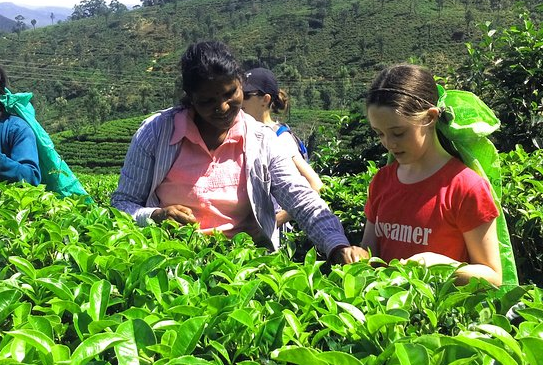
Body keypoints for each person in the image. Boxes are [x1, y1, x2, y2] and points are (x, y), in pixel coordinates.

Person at [111, 41, 366, 262]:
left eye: (230, 93)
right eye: (207, 101)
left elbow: (301, 199)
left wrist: (337, 245)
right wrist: (156, 215)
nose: (222, 107)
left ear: (240, 83)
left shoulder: (261, 140)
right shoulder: (156, 133)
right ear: (190, 97)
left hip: (244, 265)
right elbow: (122, 203)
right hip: (173, 263)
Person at [360, 64, 502, 285]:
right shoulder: (382, 181)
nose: (389, 144)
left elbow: (492, 277)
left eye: (399, 132)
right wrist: (357, 258)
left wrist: (441, 267)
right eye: (380, 134)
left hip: (441, 317)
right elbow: (370, 253)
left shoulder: (465, 187)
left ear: (431, 118)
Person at [241, 67, 324, 227]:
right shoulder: (247, 132)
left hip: (273, 232)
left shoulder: (279, 138)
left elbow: (316, 185)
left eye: (246, 95)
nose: (239, 100)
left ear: (265, 100)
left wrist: (277, 220)